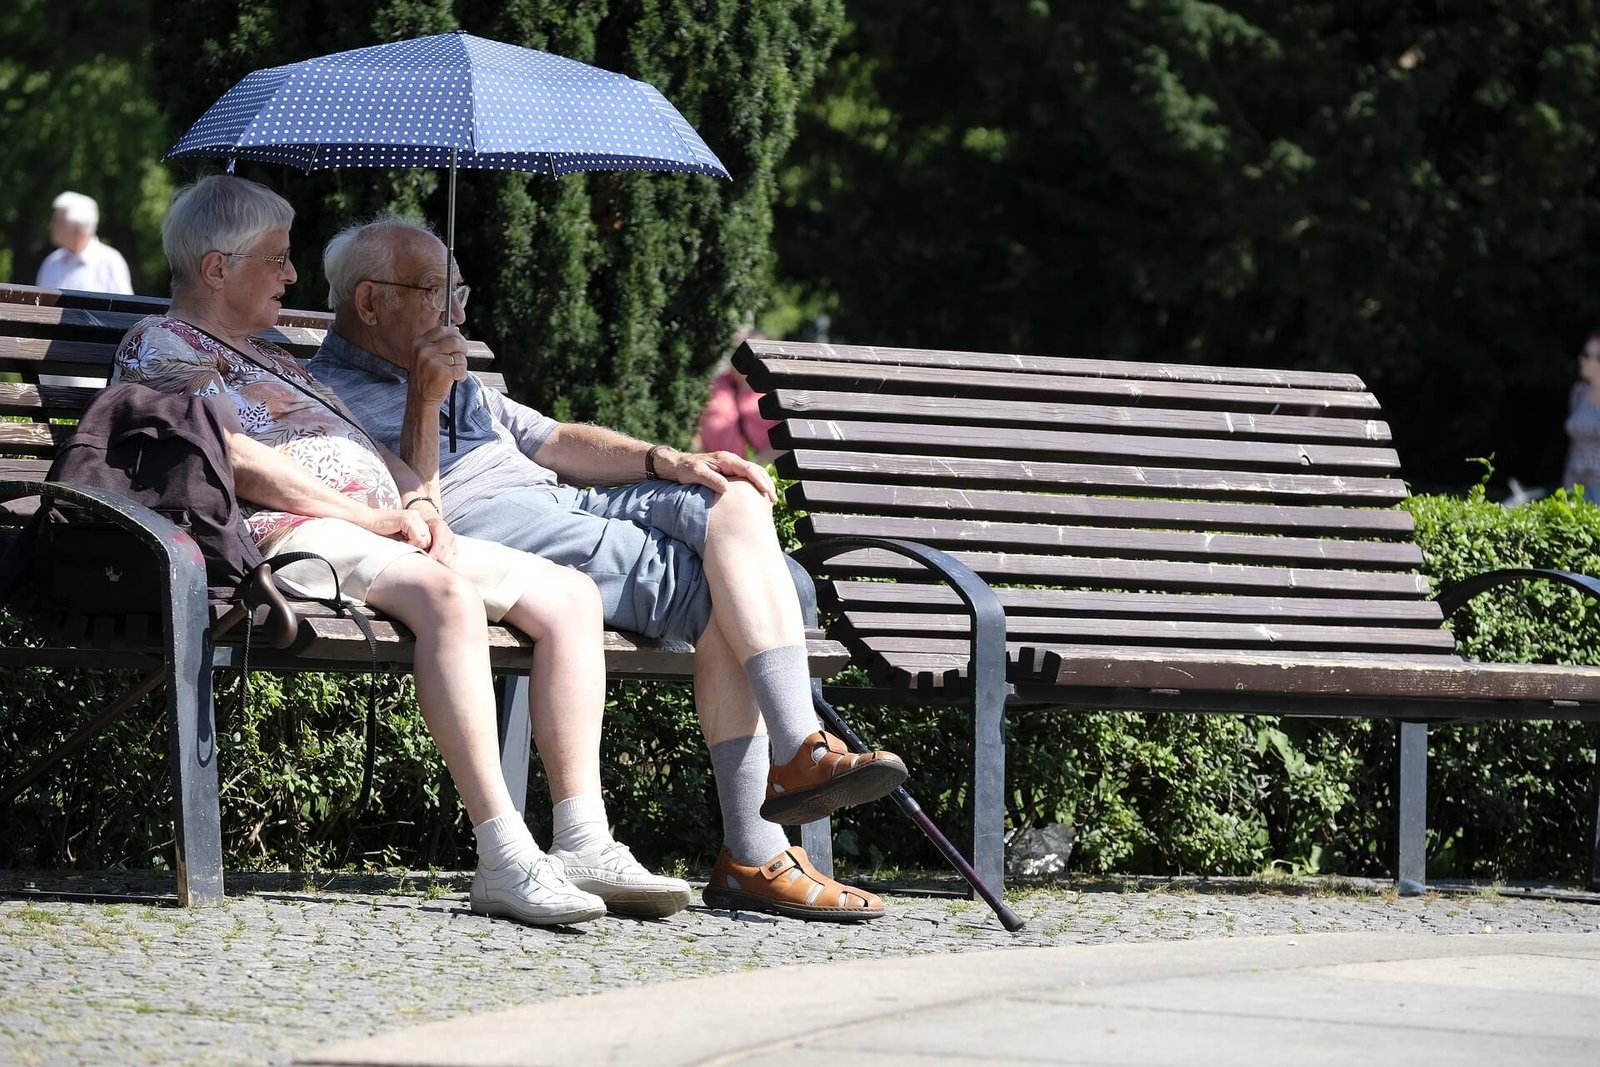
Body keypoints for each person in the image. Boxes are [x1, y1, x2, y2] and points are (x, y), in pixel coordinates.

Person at [115, 175, 692, 927]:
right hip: (284, 536)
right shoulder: (164, 344)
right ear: (217, 268)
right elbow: (232, 455)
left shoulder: (282, 357)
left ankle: (583, 837)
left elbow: (369, 448)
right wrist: (364, 514)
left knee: (571, 596)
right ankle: (504, 853)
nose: (292, 276)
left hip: (372, 531)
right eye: (277, 259)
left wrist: (418, 500)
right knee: (448, 598)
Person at [310, 218, 908, 922]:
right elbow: (424, 514)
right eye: (437, 293)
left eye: (458, 291)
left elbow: (554, 438)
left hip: (564, 499)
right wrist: (424, 399)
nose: (460, 313)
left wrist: (670, 460)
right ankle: (757, 847)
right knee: (753, 589)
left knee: (733, 496)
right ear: (370, 301)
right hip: (488, 528)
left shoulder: (461, 377)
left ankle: (798, 751)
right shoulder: (326, 397)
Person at [691, 330, 779, 464]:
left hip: (759, 469)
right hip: (710, 467)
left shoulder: (774, 392)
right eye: (735, 349)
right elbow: (694, 427)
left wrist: (755, 465)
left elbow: (784, 439)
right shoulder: (714, 385)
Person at [36, 191, 133, 294]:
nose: (51, 227)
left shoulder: (110, 262)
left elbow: (125, 308)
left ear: (77, 228)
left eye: (58, 222)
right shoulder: (51, 263)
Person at [1563, 329, 1600, 494]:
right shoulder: (1578, 393)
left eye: (1586, 354)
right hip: (1575, 485)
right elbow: (1573, 446)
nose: (1581, 359)